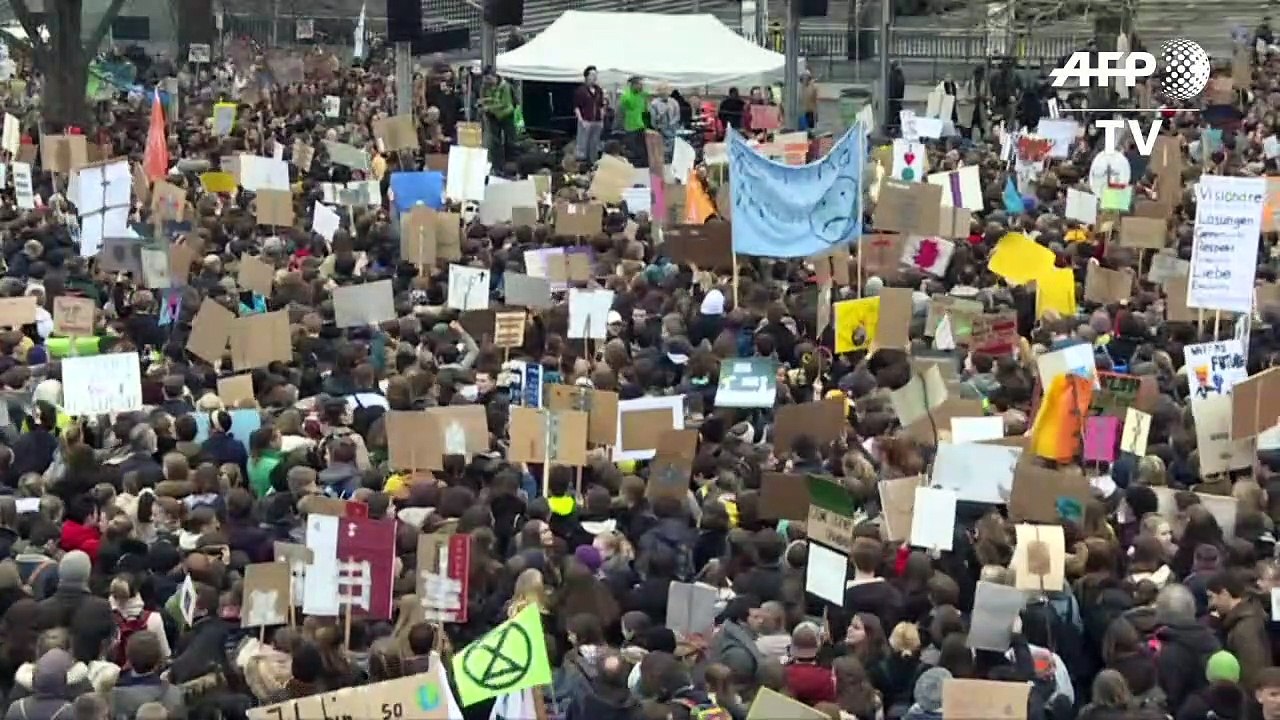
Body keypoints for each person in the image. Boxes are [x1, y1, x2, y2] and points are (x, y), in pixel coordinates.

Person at [480, 66, 518, 167]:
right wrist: (484, 102)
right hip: (494, 116)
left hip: (507, 114)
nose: (486, 81)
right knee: (494, 142)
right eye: (485, 79)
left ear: (494, 76)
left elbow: (506, 104)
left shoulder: (505, 86)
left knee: (510, 141)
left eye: (488, 79)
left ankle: (511, 164)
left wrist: (489, 107)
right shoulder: (485, 86)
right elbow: (487, 98)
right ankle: (497, 165)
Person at [573, 65, 605, 163]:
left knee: (594, 144)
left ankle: (593, 162)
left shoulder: (599, 90)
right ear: (586, 76)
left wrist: (602, 119)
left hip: (597, 121)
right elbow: (576, 107)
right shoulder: (581, 91)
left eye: (596, 75)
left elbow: (601, 105)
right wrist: (581, 120)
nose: (594, 77)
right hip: (586, 120)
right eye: (592, 75)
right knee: (583, 143)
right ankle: (582, 163)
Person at [616, 76, 648, 162]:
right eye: (639, 84)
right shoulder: (626, 96)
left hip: (641, 126)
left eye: (642, 84)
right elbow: (620, 112)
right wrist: (620, 125)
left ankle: (642, 164)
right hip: (630, 127)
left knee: (642, 150)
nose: (641, 86)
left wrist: (647, 125)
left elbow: (645, 110)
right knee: (632, 150)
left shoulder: (643, 95)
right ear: (633, 85)